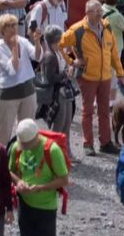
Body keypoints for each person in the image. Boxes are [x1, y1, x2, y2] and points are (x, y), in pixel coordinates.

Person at [60, 0, 124, 155]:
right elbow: (60, 44)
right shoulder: (77, 30)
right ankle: (88, 144)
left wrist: (120, 73)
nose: (100, 13)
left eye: (100, 11)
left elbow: (113, 52)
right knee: (87, 111)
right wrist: (71, 61)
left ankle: (105, 142)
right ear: (87, 12)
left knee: (104, 111)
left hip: (105, 77)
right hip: (88, 77)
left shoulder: (106, 26)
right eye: (96, 11)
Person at [8, 119, 69, 236]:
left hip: (45, 207)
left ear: (37, 136)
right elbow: (10, 171)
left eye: (28, 144)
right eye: (23, 144)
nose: (25, 147)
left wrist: (40, 187)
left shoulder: (52, 150)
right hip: (24, 204)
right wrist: (18, 182)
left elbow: (64, 179)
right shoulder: (16, 147)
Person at [0, 14, 42, 145]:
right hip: (8, 94)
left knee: (28, 131)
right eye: (9, 26)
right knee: (4, 133)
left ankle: (24, 160)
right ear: (2, 30)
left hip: (28, 91)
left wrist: (36, 41)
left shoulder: (23, 41)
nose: (13, 28)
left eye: (14, 24)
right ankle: (2, 162)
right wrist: (14, 47)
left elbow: (37, 57)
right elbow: (12, 71)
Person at [40, 25, 76, 156]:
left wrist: (70, 66)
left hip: (64, 91)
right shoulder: (50, 56)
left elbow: (71, 60)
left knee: (67, 123)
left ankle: (65, 152)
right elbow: (50, 78)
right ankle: (52, 153)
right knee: (59, 125)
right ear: (54, 41)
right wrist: (65, 74)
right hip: (57, 93)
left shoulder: (58, 52)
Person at [101, 0, 124, 67]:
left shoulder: (99, 10)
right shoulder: (118, 16)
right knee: (113, 72)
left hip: (101, 45)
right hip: (115, 47)